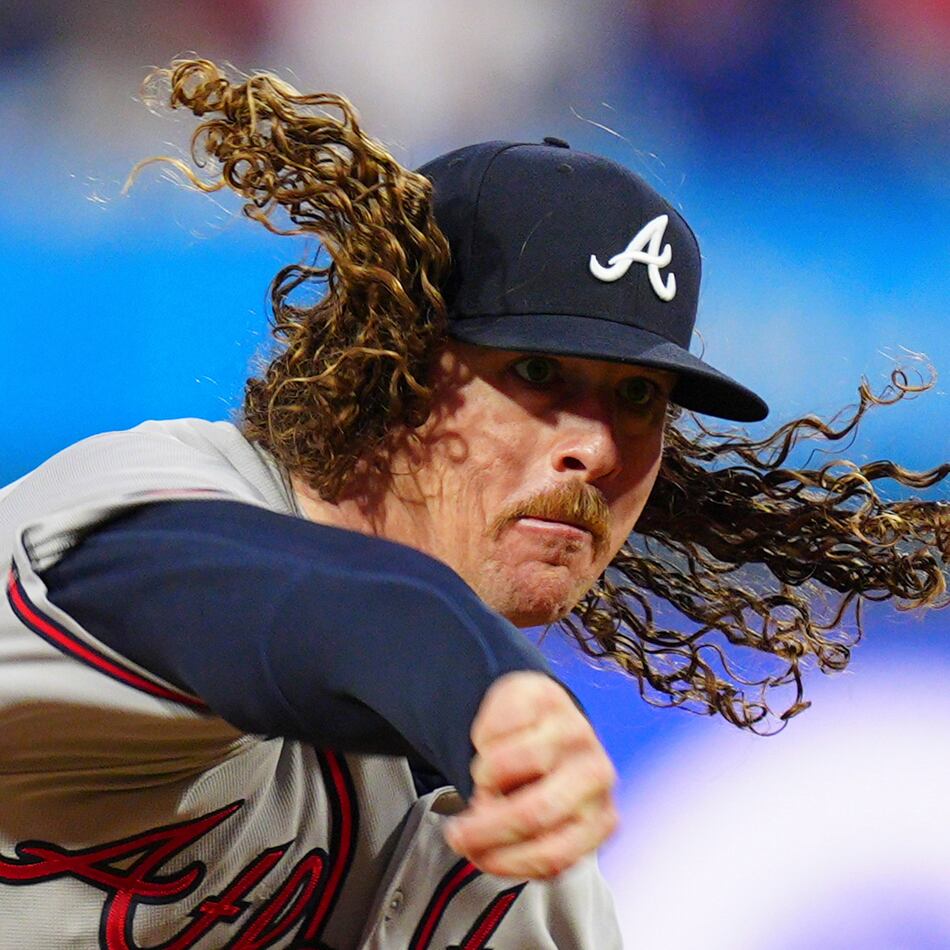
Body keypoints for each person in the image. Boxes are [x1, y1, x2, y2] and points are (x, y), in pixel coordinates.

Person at [0, 58, 945, 949]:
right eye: (536, 371)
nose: (599, 448)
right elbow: (267, 601)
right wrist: (491, 690)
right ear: (387, 364)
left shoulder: (522, 865)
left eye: (638, 397)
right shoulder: (145, 504)